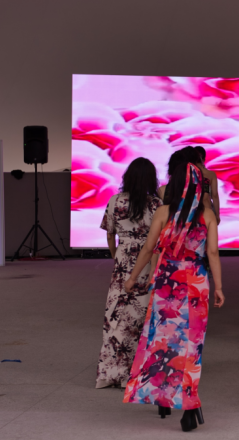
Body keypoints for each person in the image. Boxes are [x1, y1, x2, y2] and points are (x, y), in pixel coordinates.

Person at [123, 162, 225, 432]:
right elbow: (212, 253)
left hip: (167, 280)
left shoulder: (163, 212)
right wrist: (219, 287)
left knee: (164, 340)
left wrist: (132, 278)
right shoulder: (207, 214)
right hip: (196, 282)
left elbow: (148, 249)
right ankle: (188, 406)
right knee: (191, 345)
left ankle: (163, 397)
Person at [96, 158, 163, 389]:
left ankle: (110, 373)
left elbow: (109, 234)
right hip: (146, 262)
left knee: (115, 315)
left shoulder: (115, 200)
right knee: (140, 318)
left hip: (122, 260)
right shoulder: (156, 204)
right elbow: (158, 241)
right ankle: (136, 373)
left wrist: (116, 256)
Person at [194, 146, 221, 225]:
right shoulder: (210, 174)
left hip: (192, 211)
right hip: (207, 210)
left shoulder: (188, 174)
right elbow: (214, 195)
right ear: (204, 159)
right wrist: (217, 215)